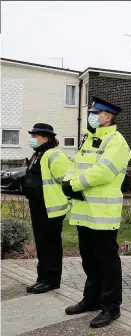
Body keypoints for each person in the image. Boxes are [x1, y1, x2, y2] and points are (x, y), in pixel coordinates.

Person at [62, 97, 131, 329]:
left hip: (103, 213)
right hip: (84, 210)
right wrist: (67, 181)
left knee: (107, 262)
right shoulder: (89, 140)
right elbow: (74, 165)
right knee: (89, 259)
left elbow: (103, 172)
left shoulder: (116, 142)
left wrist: (75, 185)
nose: (91, 115)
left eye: (95, 112)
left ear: (107, 116)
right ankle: (92, 299)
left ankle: (111, 307)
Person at [24, 123, 71, 294]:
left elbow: (67, 180)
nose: (32, 139)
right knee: (42, 244)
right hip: (38, 206)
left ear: (45, 138)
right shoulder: (38, 154)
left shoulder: (53, 155)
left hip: (51, 208)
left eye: (34, 136)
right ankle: (42, 278)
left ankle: (51, 280)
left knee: (50, 245)